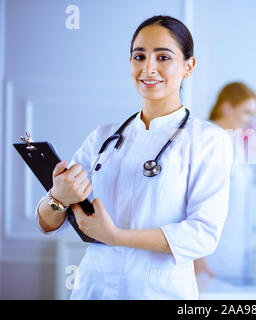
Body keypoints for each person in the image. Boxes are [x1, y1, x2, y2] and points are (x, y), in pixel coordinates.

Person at [35, 15, 233, 299]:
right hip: (94, 288)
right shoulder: (102, 137)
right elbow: (47, 223)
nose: (148, 68)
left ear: (189, 66)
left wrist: (116, 237)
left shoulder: (207, 141)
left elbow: (202, 234)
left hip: (158, 291)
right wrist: (58, 197)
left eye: (163, 57)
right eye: (139, 56)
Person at [194, 82, 256, 279]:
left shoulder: (234, 140)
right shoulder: (208, 140)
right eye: (246, 112)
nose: (250, 120)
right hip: (210, 254)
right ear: (226, 107)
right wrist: (198, 256)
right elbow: (195, 199)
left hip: (233, 246)